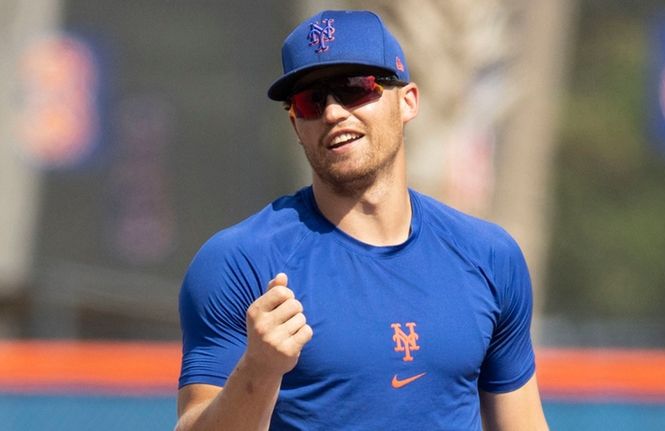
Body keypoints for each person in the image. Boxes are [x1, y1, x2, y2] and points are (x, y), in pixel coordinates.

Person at [175, 9, 549, 431]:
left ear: (407, 101)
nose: (333, 113)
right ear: (297, 125)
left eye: (354, 89)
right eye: (310, 100)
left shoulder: (489, 256)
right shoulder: (240, 262)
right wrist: (259, 370)